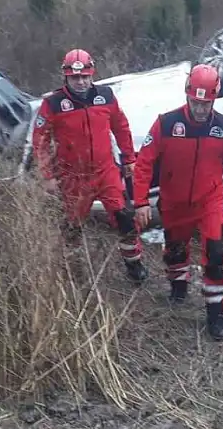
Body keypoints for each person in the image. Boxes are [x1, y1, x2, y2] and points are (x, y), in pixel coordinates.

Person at [132, 63, 223, 342]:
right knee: (175, 249)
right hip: (174, 200)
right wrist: (140, 201)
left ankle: (216, 311)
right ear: (187, 95)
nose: (200, 109)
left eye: (205, 103)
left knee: (216, 253)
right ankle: (178, 286)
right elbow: (144, 163)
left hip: (210, 199)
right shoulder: (166, 124)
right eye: (195, 102)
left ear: (214, 99)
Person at [32, 48, 148, 283]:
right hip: (74, 176)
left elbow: (121, 127)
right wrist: (47, 175)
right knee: (72, 225)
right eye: (76, 78)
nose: (81, 82)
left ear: (92, 75)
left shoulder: (105, 96)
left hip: (106, 171)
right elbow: (40, 139)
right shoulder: (54, 103)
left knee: (125, 219)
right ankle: (74, 270)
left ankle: (134, 265)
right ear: (67, 77)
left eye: (85, 76)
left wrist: (129, 159)